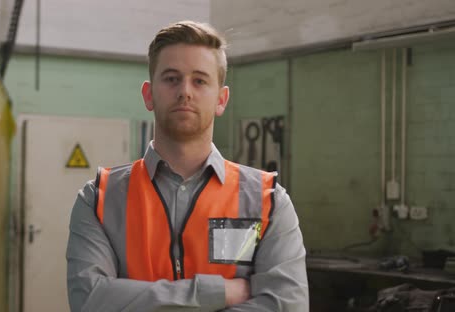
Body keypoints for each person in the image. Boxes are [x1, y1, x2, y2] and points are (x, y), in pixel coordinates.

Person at [66, 20, 309, 311]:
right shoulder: (100, 199)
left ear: (221, 99)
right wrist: (216, 292)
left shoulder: (267, 201)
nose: (185, 91)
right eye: (171, 78)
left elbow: (286, 306)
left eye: (200, 80)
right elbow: (90, 301)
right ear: (148, 95)